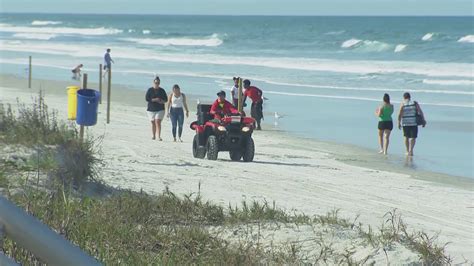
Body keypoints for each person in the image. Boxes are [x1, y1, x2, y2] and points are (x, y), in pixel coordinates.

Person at [397, 92, 426, 156]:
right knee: (413, 137)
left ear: (404, 97)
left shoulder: (402, 104)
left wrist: (398, 122)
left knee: (406, 137)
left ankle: (407, 150)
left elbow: (399, 114)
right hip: (414, 122)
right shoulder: (415, 103)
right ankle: (411, 150)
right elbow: (420, 111)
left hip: (405, 123)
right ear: (410, 97)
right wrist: (423, 120)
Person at [145, 76, 168, 141]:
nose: (157, 84)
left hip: (160, 109)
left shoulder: (162, 90)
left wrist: (162, 101)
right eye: (156, 83)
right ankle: (153, 135)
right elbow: (147, 98)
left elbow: (166, 99)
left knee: (157, 121)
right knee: (153, 122)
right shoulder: (150, 90)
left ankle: (159, 136)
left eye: (158, 83)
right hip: (151, 109)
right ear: (153, 83)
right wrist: (154, 99)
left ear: (159, 83)